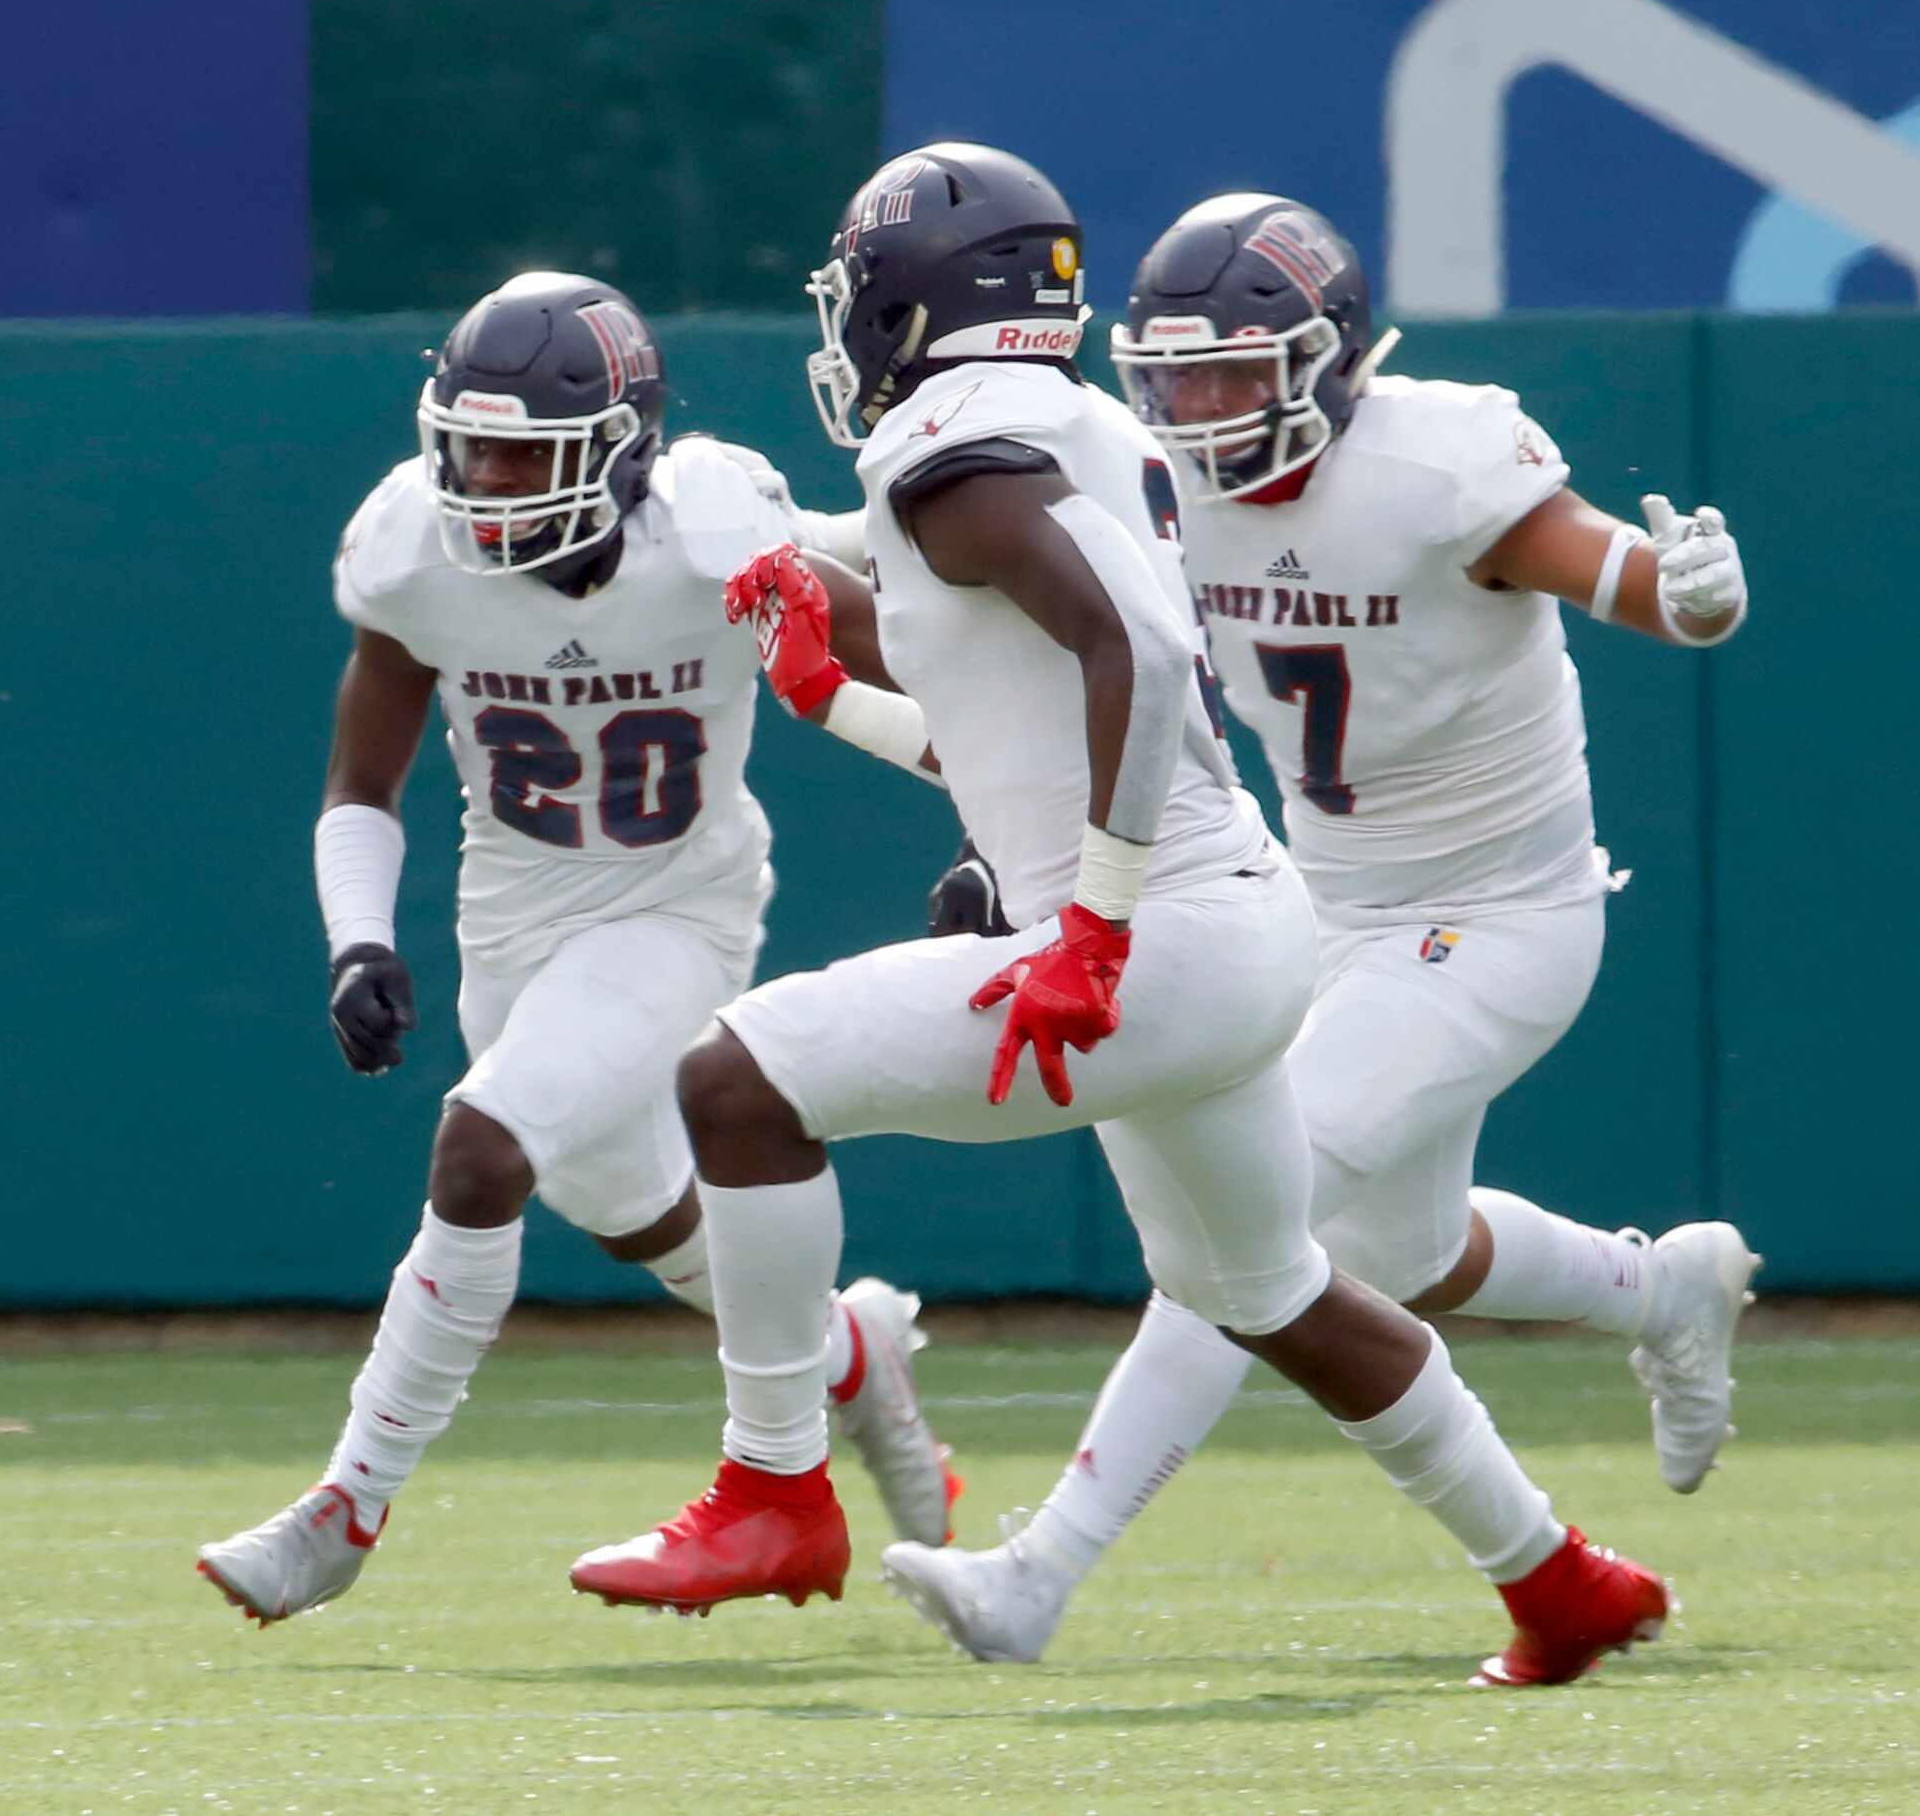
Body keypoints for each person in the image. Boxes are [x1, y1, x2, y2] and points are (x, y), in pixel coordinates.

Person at [567, 145, 1671, 1688]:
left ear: (916, 302)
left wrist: (1090, 927)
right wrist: (835, 697)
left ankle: (773, 1485)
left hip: (1160, 940)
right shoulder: (1066, 428)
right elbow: (1015, 728)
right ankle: (1559, 1577)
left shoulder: (956, 447)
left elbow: (1143, 662)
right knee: (1271, 1289)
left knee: (735, 1082)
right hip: (1236, 923)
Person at [882, 192, 1757, 1666]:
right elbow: (1038, 664)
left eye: (1240, 370)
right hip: (1323, 902)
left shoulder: (1435, 461)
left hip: (1500, 914)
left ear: (1333, 358)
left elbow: (1619, 575)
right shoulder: (1148, 477)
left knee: (1249, 1224)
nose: (1205, 408)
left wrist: (1688, 594)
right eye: (1176, 375)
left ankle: (1041, 1567)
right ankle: (1658, 1286)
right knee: (1404, 1250)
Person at [194, 273, 955, 1626]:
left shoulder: (716, 529)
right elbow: (360, 783)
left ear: (624, 447)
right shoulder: (413, 548)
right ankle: (856, 1351)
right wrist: (356, 939)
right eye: (469, 447)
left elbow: (911, 664)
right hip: (517, 928)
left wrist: (1005, 829)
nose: (487, 482)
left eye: (523, 453)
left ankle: (346, 1502)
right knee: (648, 1222)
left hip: (678, 910)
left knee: (480, 1146)